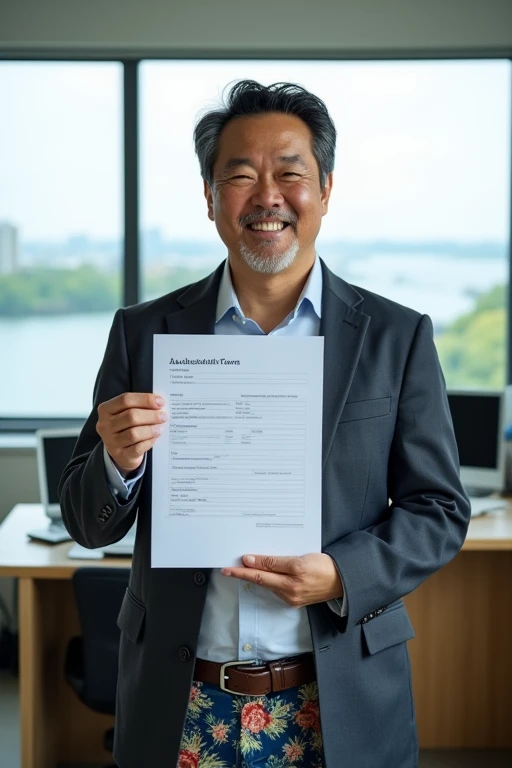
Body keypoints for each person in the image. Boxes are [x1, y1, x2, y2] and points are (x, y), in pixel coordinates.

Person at [59, 80, 471, 768]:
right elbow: (87, 521)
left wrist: (341, 573)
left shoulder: (396, 337)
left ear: (326, 188)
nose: (267, 196)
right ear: (210, 196)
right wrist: (118, 462)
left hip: (337, 695)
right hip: (183, 699)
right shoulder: (144, 332)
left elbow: (440, 510)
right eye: (241, 176)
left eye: (290, 173)